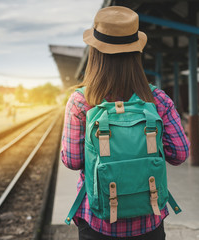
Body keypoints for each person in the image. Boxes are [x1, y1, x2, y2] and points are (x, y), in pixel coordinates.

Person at [61, 6, 190, 240]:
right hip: (148, 220)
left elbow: (72, 160)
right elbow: (180, 154)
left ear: (95, 53)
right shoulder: (157, 99)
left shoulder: (81, 101)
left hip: (97, 222)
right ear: (136, 53)